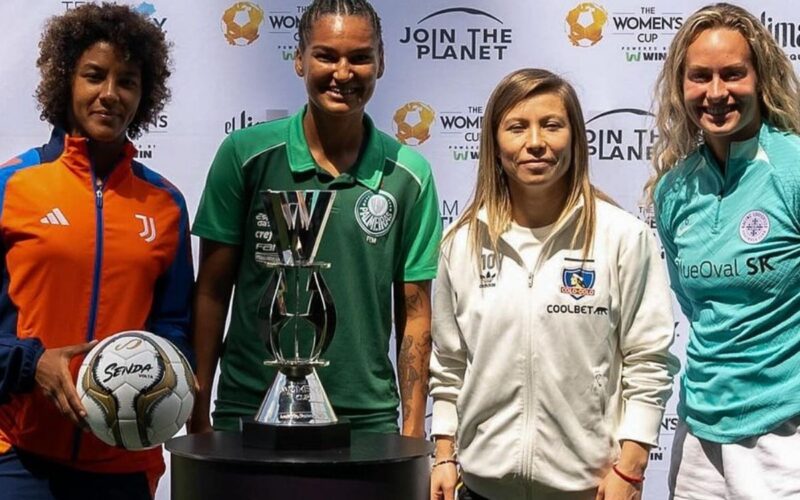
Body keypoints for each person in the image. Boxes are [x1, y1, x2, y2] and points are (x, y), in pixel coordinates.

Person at [190, 0, 441, 437]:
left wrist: (414, 429)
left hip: (366, 420)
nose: (343, 73)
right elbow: (212, 291)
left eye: (360, 57)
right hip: (250, 412)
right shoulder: (245, 155)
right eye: (326, 55)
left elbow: (415, 312)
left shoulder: (409, 175)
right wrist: (198, 407)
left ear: (381, 64)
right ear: (299, 59)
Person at [429, 68, 678, 500]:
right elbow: (449, 363)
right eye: (517, 127)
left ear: (576, 138)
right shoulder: (462, 243)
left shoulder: (622, 237)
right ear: (494, 142)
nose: (536, 142)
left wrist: (632, 468)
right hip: (480, 489)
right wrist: (445, 454)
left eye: (551, 125)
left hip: (591, 490)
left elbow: (649, 360)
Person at [0, 3, 193, 499]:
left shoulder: (165, 203)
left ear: (144, 95)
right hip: (19, 458)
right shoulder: (11, 186)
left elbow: (176, 325)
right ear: (66, 81)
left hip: (123, 465)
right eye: (94, 76)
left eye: (127, 80)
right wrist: (30, 362)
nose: (110, 94)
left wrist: (168, 370)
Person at [649, 3, 800, 498]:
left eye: (733, 74)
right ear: (681, 85)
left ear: (761, 77)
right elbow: (695, 307)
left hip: (787, 430)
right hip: (701, 431)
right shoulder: (673, 190)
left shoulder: (793, 168)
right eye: (700, 77)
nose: (716, 93)